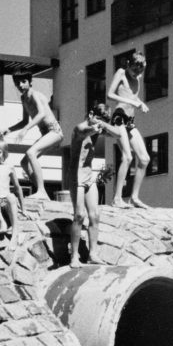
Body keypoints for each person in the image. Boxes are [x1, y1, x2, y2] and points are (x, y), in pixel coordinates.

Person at [65, 103, 116, 268]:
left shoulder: (98, 127)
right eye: (98, 118)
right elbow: (87, 131)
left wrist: (104, 124)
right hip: (76, 176)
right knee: (79, 215)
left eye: (103, 120)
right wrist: (98, 127)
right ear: (91, 114)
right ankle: (74, 256)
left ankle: (93, 253)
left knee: (95, 216)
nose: (100, 122)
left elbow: (119, 135)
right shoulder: (79, 128)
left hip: (88, 175)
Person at [0, 70, 62, 200]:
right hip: (46, 133)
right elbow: (24, 121)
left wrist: (26, 129)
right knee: (24, 162)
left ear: (30, 82)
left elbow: (41, 114)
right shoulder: (24, 98)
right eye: (18, 83)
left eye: (23, 82)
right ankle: (43, 192)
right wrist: (9, 130)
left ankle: (41, 191)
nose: (21, 85)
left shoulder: (35, 95)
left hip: (54, 131)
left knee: (31, 153)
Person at [106, 51, 151, 208]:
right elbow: (110, 94)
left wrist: (140, 102)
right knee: (127, 157)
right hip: (119, 118)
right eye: (134, 70)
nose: (136, 73)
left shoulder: (138, 78)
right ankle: (117, 198)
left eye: (140, 71)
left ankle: (134, 197)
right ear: (128, 65)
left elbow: (132, 96)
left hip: (130, 121)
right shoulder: (121, 73)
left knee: (144, 159)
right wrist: (133, 102)